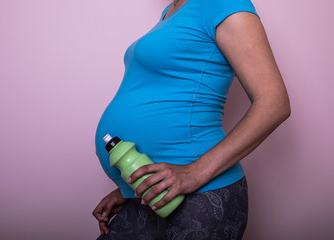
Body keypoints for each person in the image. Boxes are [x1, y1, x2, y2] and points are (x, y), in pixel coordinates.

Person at [93, 0, 291, 239]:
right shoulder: (172, 10)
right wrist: (128, 187)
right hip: (151, 193)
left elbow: (274, 103)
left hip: (200, 197)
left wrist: (195, 172)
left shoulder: (223, 3)